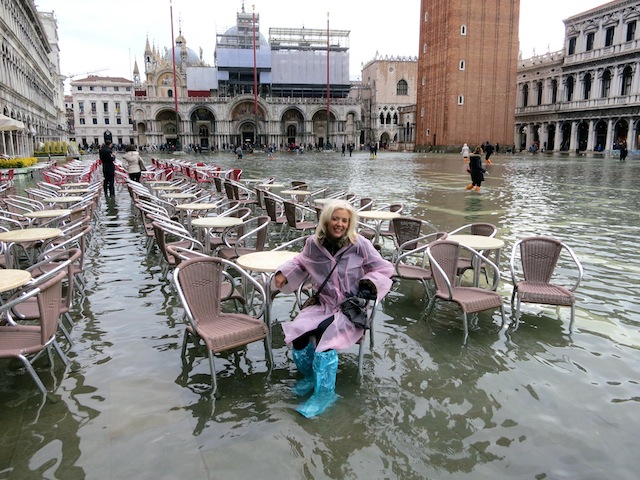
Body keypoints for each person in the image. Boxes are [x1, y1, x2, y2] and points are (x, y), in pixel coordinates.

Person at [273, 200, 394, 418]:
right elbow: (301, 262)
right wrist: (283, 273)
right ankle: (310, 376)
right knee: (298, 336)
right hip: (323, 304)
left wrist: (368, 284)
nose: (339, 224)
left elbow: (384, 269)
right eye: (335, 218)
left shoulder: (360, 244)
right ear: (326, 220)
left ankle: (325, 394)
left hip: (350, 309)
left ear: (350, 223)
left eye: (345, 220)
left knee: (324, 339)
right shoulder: (314, 244)